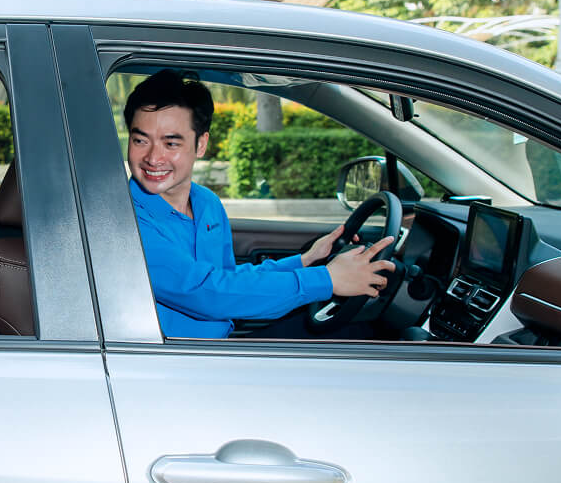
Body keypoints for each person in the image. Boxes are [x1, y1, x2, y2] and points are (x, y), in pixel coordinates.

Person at [125, 70, 395, 339]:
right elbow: (207, 292)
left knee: (358, 333)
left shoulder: (206, 202)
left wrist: (306, 260)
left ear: (201, 144)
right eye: (140, 140)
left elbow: (227, 278)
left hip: (218, 346)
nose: (153, 157)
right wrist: (327, 280)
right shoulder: (125, 218)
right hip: (169, 363)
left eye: (170, 143)